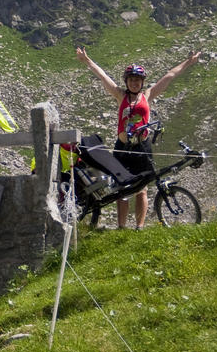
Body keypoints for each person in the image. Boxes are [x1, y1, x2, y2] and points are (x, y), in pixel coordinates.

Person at [76, 46, 201, 230]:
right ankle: (121, 227)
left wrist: (188, 62)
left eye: (138, 80)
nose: (135, 83)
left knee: (142, 188)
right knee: (122, 189)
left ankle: (139, 227)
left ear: (142, 82)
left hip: (142, 147)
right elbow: (103, 76)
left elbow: (169, 76)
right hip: (123, 148)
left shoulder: (147, 95)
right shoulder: (120, 95)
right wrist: (86, 60)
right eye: (132, 79)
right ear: (127, 81)